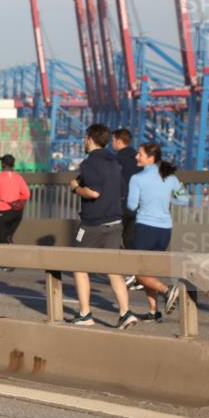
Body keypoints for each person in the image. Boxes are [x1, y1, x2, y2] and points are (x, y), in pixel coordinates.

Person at [69, 124, 138, 329]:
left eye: (84, 138)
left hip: (92, 224)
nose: (84, 141)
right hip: (115, 222)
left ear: (89, 139)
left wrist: (76, 188)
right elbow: (122, 190)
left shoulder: (89, 163)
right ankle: (125, 313)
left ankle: (85, 314)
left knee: (78, 266)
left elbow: (93, 192)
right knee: (113, 269)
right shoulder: (114, 162)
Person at [127, 142, 188, 322]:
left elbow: (131, 205)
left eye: (140, 154)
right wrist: (168, 201)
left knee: (138, 272)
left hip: (146, 227)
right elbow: (184, 200)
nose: (136, 157)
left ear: (150, 158)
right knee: (149, 271)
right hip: (164, 230)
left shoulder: (137, 178)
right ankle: (153, 311)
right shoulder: (171, 178)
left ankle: (167, 290)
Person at [0, 154, 30, 268]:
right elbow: (26, 194)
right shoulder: (19, 177)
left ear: (3, 164)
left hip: (4, 211)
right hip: (18, 213)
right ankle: (10, 260)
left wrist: (4, 198)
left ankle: (8, 263)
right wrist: (17, 202)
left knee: (1, 238)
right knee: (8, 237)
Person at [112, 128, 137, 251]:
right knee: (130, 240)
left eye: (113, 140)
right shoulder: (139, 159)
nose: (112, 143)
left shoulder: (116, 160)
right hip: (138, 206)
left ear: (118, 141)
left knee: (113, 239)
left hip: (120, 206)